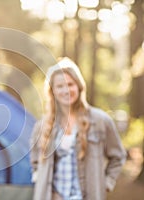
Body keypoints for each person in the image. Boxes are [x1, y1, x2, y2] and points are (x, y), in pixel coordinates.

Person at [30, 57, 126, 200]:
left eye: (70, 84)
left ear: (79, 86)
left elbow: (118, 156)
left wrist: (106, 183)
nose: (66, 90)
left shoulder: (100, 120)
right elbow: (35, 161)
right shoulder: (42, 126)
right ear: (52, 91)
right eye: (60, 86)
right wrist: (40, 179)